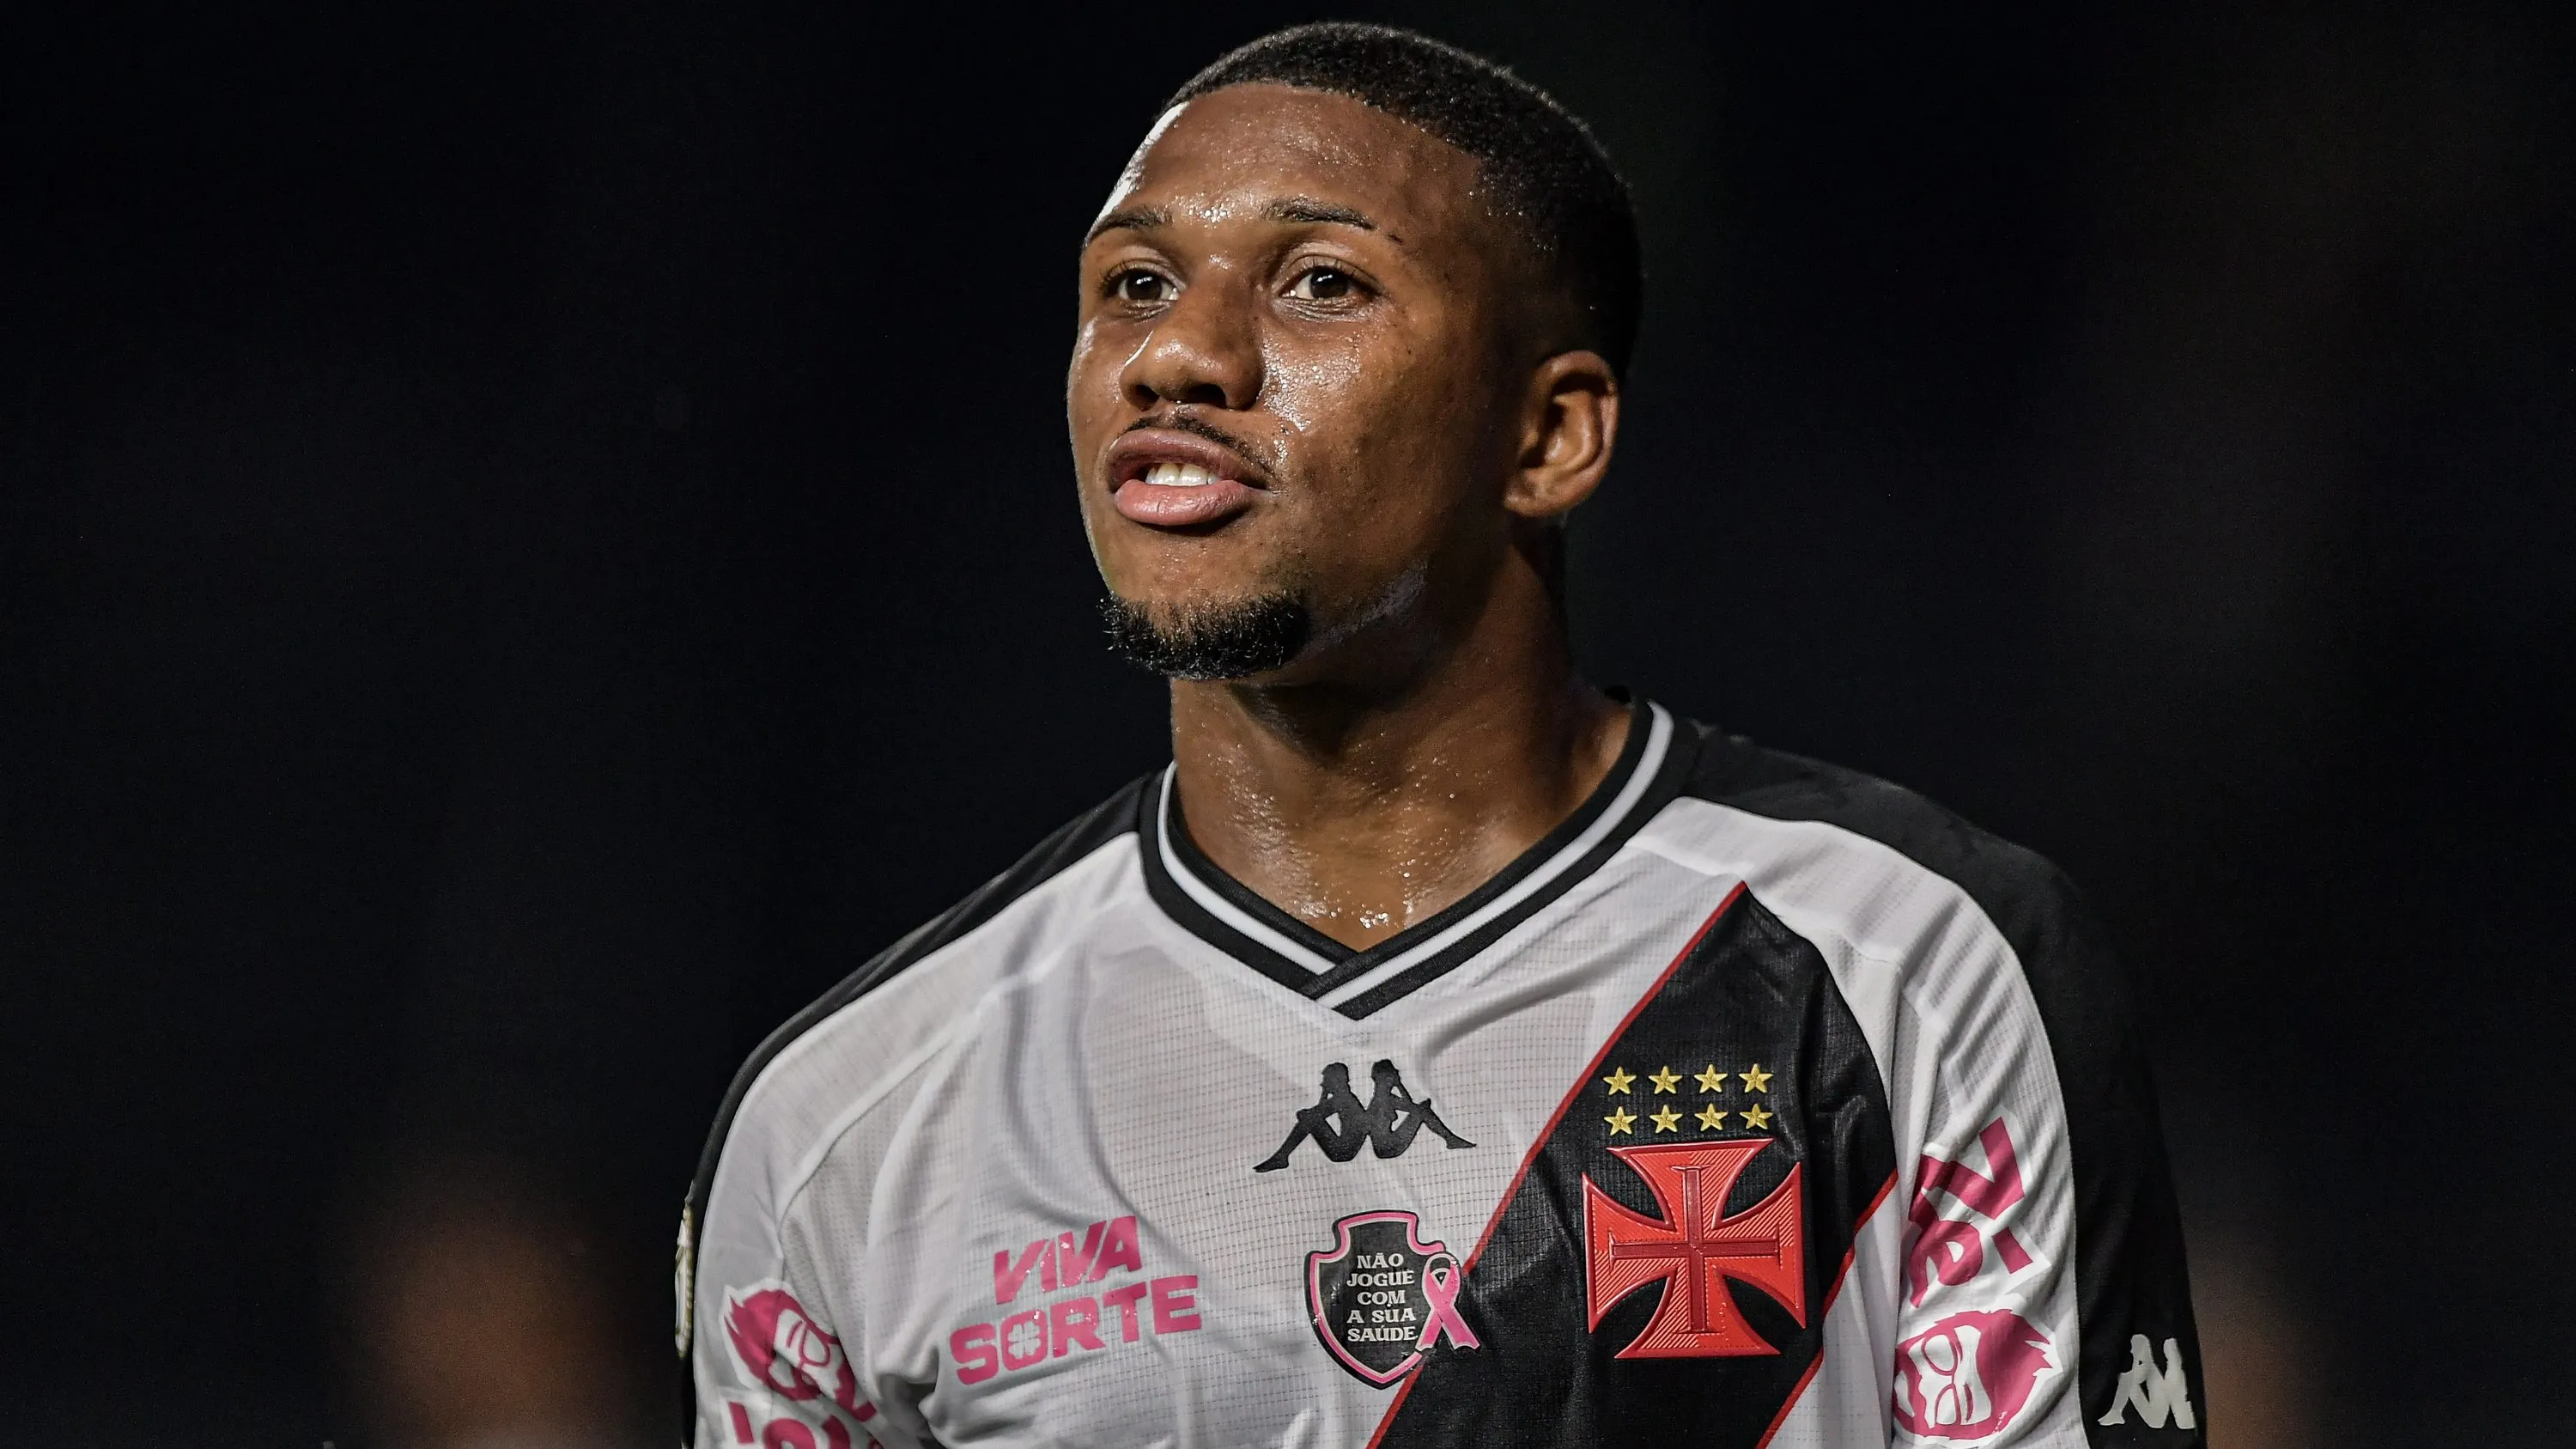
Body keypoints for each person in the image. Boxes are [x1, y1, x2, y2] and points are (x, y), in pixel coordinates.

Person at [680, 22, 2202, 1448]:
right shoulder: (844, 1127)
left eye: (1320, 282)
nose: (1177, 356)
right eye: (1133, 284)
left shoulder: (1922, 969)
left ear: (1549, 437)